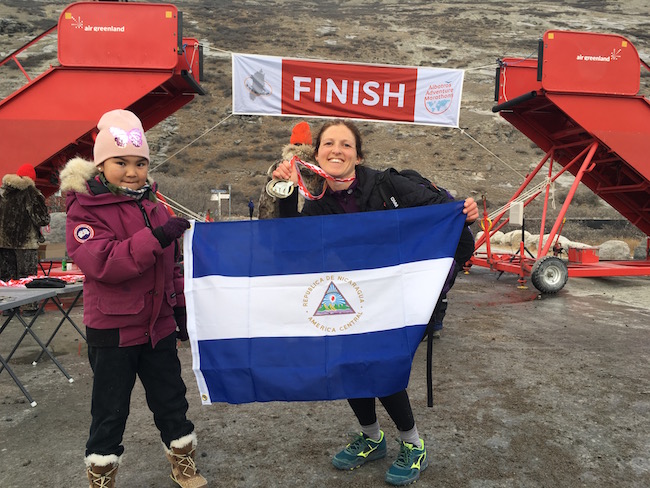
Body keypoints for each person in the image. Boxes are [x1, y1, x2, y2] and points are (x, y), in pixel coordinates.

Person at [273, 119, 478, 486]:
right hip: (349, 302)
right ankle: (371, 438)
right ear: (315, 155)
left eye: (346, 144)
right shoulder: (318, 204)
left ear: (358, 155)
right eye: (328, 144)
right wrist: (286, 192)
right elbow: (292, 242)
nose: (336, 150)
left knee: (379, 368)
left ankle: (413, 445)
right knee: (348, 366)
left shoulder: (387, 185)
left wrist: (463, 211)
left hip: (396, 300)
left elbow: (445, 216)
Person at [59, 109, 207, 488]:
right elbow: (105, 263)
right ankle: (102, 473)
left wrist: (180, 307)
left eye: (140, 163)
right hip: (113, 330)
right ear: (100, 164)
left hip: (156, 327)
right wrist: (156, 238)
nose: (131, 171)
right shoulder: (83, 213)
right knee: (109, 409)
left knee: (172, 400)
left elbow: (172, 263)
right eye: (120, 162)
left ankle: (183, 462)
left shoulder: (155, 206)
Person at [0, 164, 50, 314]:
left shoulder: (3, 192)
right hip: (25, 242)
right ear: (31, 179)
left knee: (8, 276)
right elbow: (42, 219)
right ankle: (29, 307)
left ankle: (9, 306)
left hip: (3, 242)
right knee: (27, 277)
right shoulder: (31, 193)